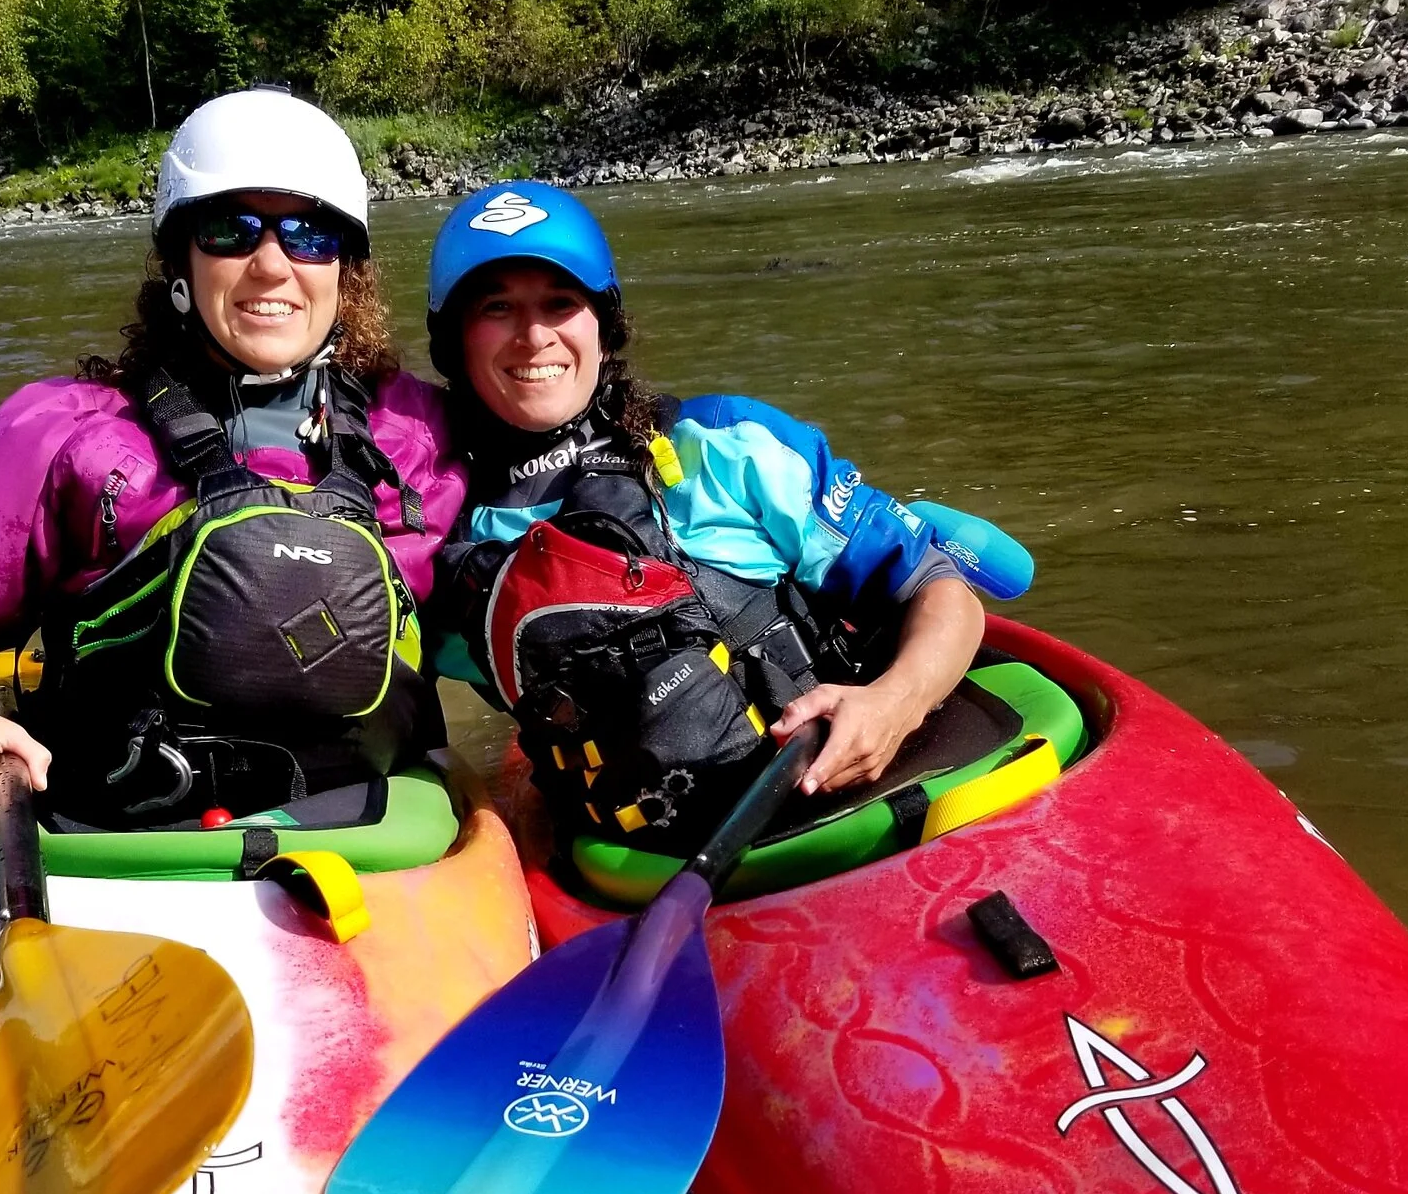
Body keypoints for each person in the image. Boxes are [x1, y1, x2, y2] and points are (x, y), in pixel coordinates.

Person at [0, 88, 463, 828]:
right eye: (231, 230)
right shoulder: (67, 431)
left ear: (344, 270)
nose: (271, 264)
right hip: (110, 836)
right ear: (180, 259)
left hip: (371, 842)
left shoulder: (419, 432)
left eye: (308, 235)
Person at [424, 181, 995, 852]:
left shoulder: (725, 444)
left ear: (602, 330)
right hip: (652, 868)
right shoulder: (452, 544)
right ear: (456, 343)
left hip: (854, 798)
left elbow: (939, 588)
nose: (535, 335)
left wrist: (893, 705)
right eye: (498, 307)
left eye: (560, 302)